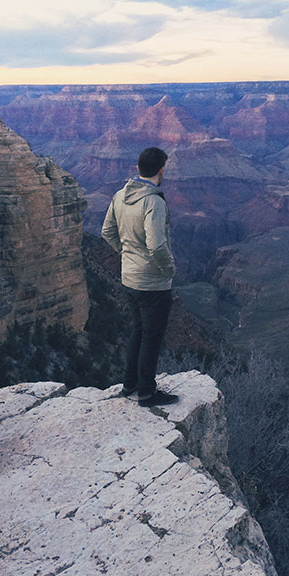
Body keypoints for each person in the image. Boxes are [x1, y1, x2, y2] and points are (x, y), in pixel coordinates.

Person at [101, 147, 179, 407]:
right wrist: (168, 269)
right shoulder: (153, 201)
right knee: (152, 336)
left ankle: (130, 384)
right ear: (161, 170)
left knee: (138, 331)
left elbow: (107, 232)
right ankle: (147, 392)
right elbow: (157, 245)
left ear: (138, 168)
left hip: (129, 278)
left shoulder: (120, 195)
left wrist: (126, 254)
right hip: (152, 282)